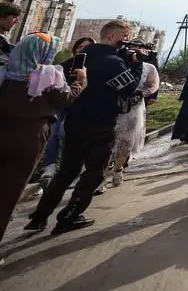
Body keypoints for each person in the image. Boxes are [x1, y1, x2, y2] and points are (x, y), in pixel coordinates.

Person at [25, 20, 143, 235]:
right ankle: (70, 215)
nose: (126, 42)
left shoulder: (79, 59)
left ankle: (40, 215)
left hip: (75, 121)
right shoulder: (114, 62)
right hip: (100, 124)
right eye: (125, 37)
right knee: (94, 172)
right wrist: (137, 65)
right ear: (112, 37)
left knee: (66, 170)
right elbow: (128, 88)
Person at [0, 33, 84, 244]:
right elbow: (65, 100)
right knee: (9, 192)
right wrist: (81, 82)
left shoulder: (5, 71)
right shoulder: (48, 75)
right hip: (29, 138)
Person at [35, 36, 94, 179]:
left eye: (88, 48)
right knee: (54, 132)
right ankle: (50, 165)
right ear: (75, 50)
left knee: (64, 133)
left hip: (81, 106)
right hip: (62, 103)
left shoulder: (94, 68)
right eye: (80, 47)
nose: (83, 50)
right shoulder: (64, 65)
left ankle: (70, 163)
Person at [109, 46, 160, 186]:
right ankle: (101, 175)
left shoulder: (149, 67)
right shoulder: (118, 64)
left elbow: (153, 85)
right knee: (108, 139)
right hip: (114, 105)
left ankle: (118, 168)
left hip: (133, 108)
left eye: (139, 51)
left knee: (126, 141)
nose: (135, 54)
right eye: (132, 50)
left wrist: (141, 94)